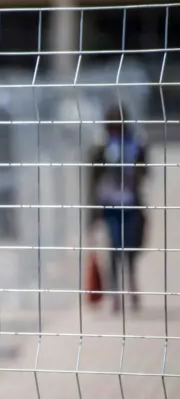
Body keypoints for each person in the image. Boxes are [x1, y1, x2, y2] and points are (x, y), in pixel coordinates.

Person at [87, 105, 148, 313]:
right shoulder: (101, 146)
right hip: (110, 204)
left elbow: (145, 171)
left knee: (131, 247)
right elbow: (92, 181)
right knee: (114, 247)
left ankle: (132, 282)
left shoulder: (135, 143)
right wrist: (92, 214)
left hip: (130, 203)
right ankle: (115, 294)